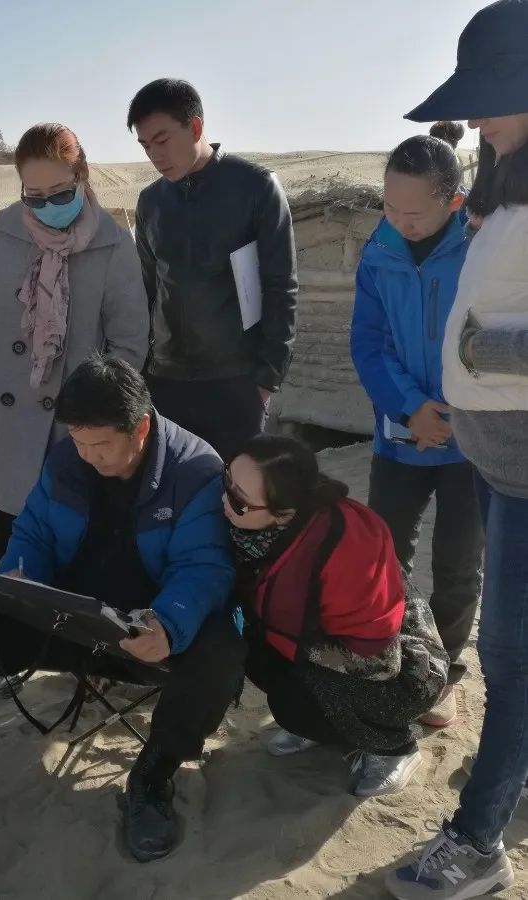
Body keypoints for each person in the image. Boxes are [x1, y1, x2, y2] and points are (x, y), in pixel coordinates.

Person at [0, 355, 245, 883]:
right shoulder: (66, 461)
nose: (88, 456)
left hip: (148, 635)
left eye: (100, 445)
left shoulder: (197, 470)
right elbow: (32, 534)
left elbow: (204, 566)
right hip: (71, 620)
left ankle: (153, 777)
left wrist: (169, 624)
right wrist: (17, 581)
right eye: (79, 442)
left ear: (141, 426)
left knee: (222, 646)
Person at [387, 2, 528, 897]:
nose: (473, 119)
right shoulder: (508, 186)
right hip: (499, 461)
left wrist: (485, 350)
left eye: (489, 98)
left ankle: (478, 840)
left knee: (511, 664)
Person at [0, 123, 149, 567]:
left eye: (61, 194)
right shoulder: (1, 231)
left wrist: (99, 411)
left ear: (82, 177)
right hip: (4, 422)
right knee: (4, 555)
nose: (48, 207)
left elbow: (129, 342)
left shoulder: (113, 244)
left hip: (74, 426)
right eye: (35, 197)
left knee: (67, 555)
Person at [225, 436, 447, 797]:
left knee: (291, 699)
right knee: (258, 656)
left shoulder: (345, 546)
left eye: (238, 499)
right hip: (321, 646)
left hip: (401, 670)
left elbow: (379, 661)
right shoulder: (260, 528)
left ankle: (393, 748)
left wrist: (292, 650)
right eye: (226, 482)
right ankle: (326, 723)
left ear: (282, 512)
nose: (224, 500)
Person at [350, 135, 482, 730]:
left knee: (458, 563)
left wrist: (451, 411)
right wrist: (411, 410)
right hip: (400, 435)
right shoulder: (377, 252)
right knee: (386, 556)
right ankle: (395, 658)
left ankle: (445, 670)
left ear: (452, 203)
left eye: (414, 213)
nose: (400, 223)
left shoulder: (482, 248)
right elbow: (369, 345)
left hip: (471, 441)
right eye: (390, 209)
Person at [127, 78, 298, 462]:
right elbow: (147, 291)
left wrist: (267, 378)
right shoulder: (151, 202)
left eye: (162, 139)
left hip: (236, 382)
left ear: (196, 127)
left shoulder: (256, 187)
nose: (155, 154)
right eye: (145, 145)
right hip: (166, 382)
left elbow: (280, 285)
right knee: (173, 498)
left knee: (237, 499)